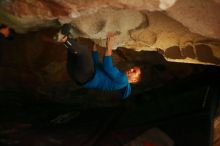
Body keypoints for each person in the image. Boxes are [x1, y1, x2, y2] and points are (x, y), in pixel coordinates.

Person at [56, 24, 141, 99]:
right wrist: (94, 50)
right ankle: (63, 36)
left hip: (86, 76)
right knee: (74, 48)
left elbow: (108, 66)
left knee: (84, 51)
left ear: (134, 80)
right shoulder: (119, 80)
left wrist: (109, 46)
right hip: (76, 74)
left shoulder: (123, 80)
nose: (131, 69)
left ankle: (63, 38)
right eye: (133, 68)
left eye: (134, 71)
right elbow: (96, 65)